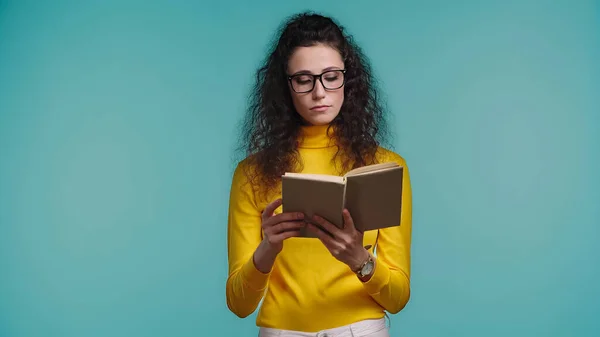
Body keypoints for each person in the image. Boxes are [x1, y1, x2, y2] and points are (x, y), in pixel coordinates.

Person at [225, 11, 412, 337]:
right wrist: (267, 249)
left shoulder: (385, 166)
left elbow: (397, 298)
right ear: (286, 87)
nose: (319, 92)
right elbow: (238, 304)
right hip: (283, 331)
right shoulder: (253, 173)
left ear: (348, 79)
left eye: (331, 76)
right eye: (303, 79)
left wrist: (359, 259)